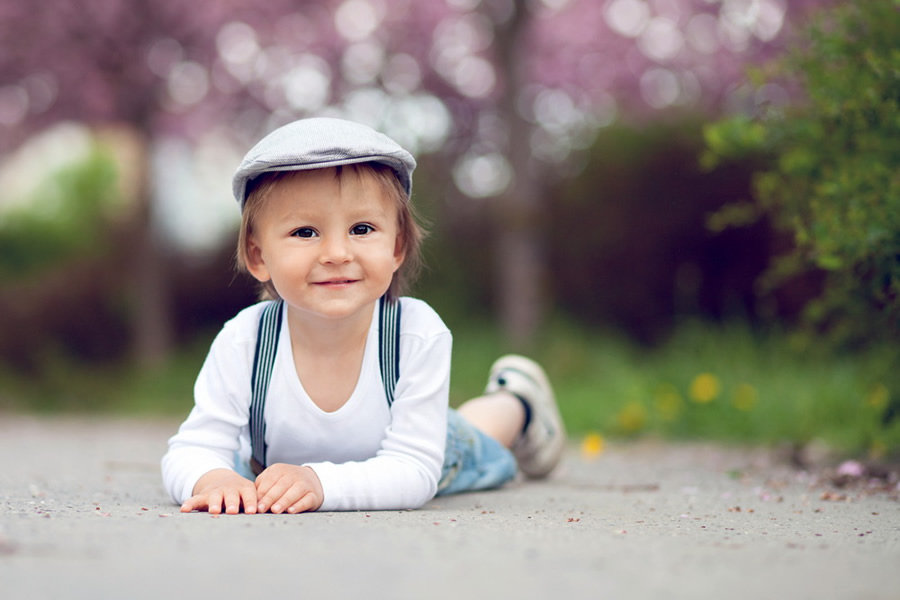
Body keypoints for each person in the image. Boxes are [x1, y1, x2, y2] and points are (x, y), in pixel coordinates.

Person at [161, 117, 565, 514]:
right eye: (305, 232)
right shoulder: (245, 341)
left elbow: (413, 469)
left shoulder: (414, 334)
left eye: (361, 229)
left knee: (470, 433)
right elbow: (193, 448)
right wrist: (213, 480)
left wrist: (320, 484)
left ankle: (519, 402)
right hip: (289, 469)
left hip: (416, 448)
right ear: (258, 255)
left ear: (396, 245)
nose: (337, 253)